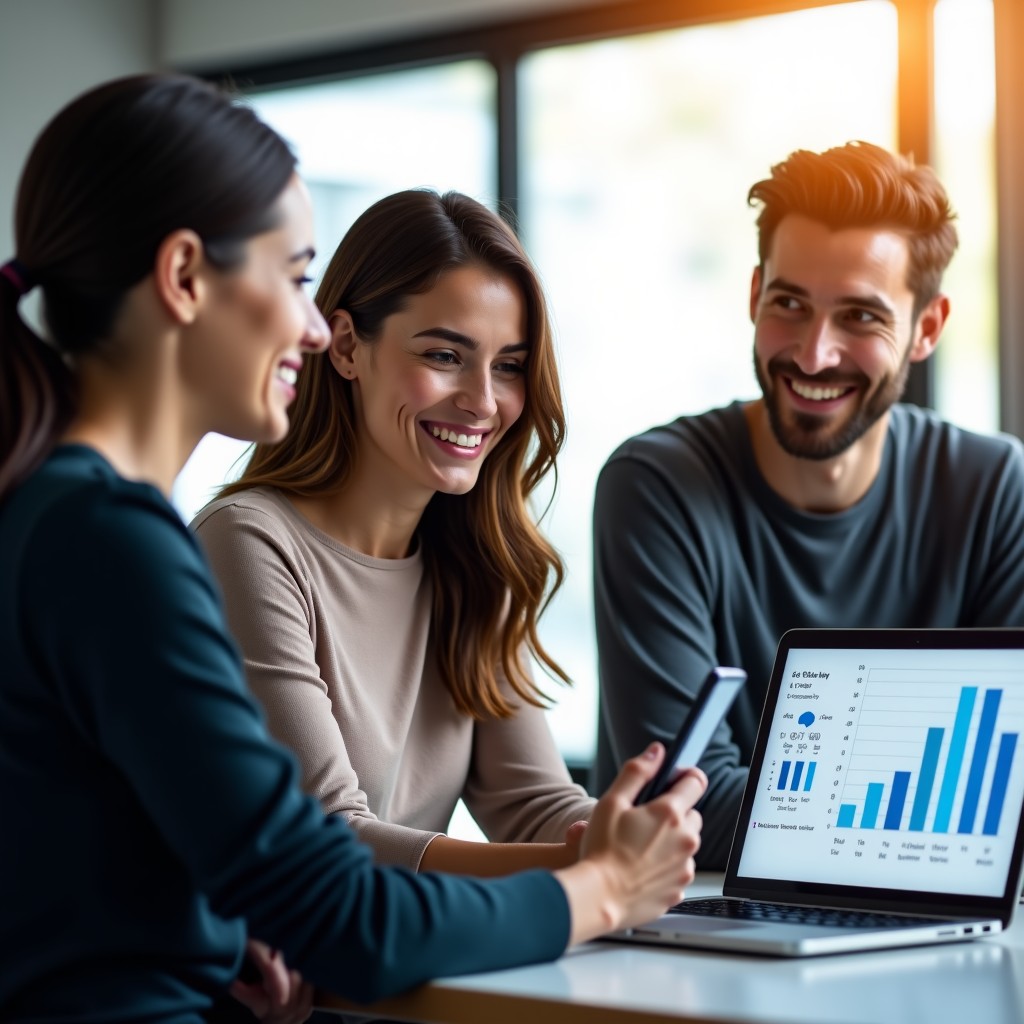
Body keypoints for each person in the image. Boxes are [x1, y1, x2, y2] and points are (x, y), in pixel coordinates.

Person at [0, 73, 707, 1023]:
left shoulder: (76, 518)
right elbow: (342, 907)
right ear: (181, 277)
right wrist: (601, 890)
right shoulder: (120, 541)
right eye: (293, 276)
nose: (307, 321)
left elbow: (139, 859)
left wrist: (217, 934)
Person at [591, 140, 1024, 869]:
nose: (814, 353)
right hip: (696, 931)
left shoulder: (993, 486)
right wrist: (945, 822)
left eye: (860, 317)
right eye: (789, 304)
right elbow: (673, 805)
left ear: (927, 328)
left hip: (941, 925)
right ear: (754, 292)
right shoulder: (657, 486)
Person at [191, 189, 595, 877]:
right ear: (347, 346)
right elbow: (328, 839)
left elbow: (532, 802)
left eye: (508, 366)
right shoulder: (248, 543)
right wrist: (600, 875)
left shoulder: (473, 559)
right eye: (445, 355)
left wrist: (615, 831)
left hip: (387, 967)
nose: (483, 400)